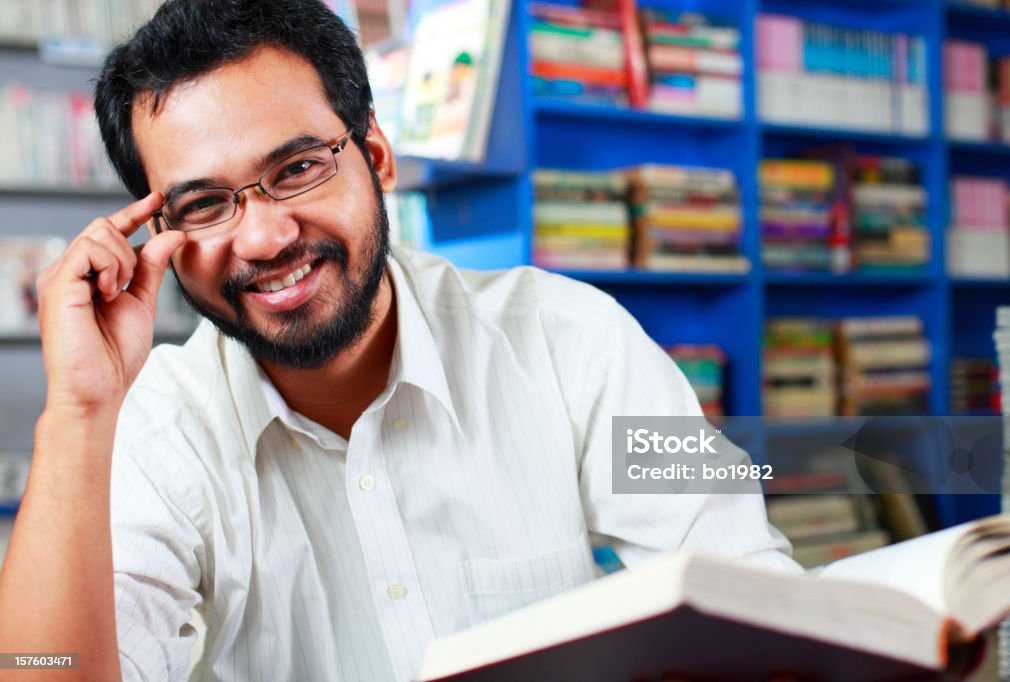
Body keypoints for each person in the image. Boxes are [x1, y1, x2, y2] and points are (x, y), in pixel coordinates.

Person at [0, 1, 797, 680]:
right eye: (205, 205)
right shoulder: (156, 432)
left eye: (300, 167)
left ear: (375, 155)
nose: (267, 236)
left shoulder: (575, 338)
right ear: (159, 233)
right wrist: (76, 411)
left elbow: (752, 590)